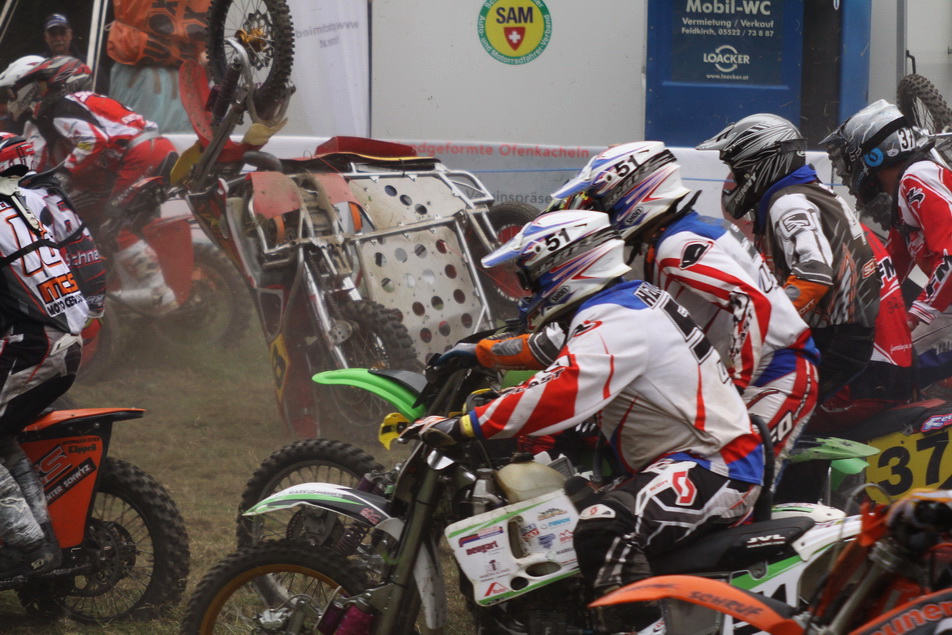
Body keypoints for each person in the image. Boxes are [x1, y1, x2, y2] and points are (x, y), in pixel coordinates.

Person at [410, 210, 764, 632]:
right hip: (689, 457)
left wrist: (466, 425)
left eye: (530, 277)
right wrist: (481, 352)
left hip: (716, 465)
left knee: (603, 525)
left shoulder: (619, 321)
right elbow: (547, 346)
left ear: (563, 268)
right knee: (567, 507)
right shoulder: (623, 301)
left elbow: (560, 389)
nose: (527, 290)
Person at [544, 141, 819, 485]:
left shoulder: (676, 245)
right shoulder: (685, 232)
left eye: (602, 203)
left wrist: (732, 386)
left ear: (630, 194)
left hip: (776, 373)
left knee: (736, 486)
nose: (602, 214)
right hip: (769, 368)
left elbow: (750, 303)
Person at [696, 113, 881, 402]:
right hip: (842, 333)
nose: (734, 179)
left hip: (833, 339)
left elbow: (813, 274)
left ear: (758, 162)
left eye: (737, 170)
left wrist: (761, 325)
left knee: (744, 405)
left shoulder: (788, 203)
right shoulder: (806, 192)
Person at [12, 55, 178, 313]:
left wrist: (63, 174)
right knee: (104, 219)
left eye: (36, 86)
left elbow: (92, 140)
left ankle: (158, 292)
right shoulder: (79, 101)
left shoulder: (62, 107)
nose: (14, 98)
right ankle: (126, 293)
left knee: (113, 225)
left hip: (140, 154)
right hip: (153, 149)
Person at [0, 132, 89, 577]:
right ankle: (42, 540)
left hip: (35, 347)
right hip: (64, 344)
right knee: (3, 438)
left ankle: (28, 546)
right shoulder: (29, 205)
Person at [822, 99, 952, 390]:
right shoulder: (908, 189)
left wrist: (915, 316)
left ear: (873, 155)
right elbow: (889, 265)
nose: (846, 170)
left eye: (849, 159)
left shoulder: (916, 178)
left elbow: (951, 258)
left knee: (892, 368)